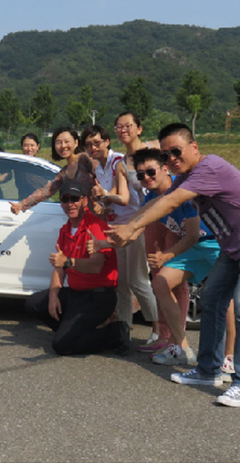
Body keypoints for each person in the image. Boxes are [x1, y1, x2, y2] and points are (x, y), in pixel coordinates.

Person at [107, 123, 240, 407]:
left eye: (177, 151)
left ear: (194, 147)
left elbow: (171, 204)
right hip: (232, 250)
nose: (173, 159)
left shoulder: (209, 168)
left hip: (223, 247)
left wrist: (132, 228)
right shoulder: (186, 176)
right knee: (212, 301)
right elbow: (162, 200)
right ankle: (208, 371)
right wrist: (130, 228)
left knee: (238, 310)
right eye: (167, 155)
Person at [25, 180, 131, 356]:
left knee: (62, 346)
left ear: (84, 201)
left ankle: (114, 333)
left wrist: (68, 261)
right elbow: (59, 267)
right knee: (33, 303)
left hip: (98, 297)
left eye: (74, 199)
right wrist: (53, 296)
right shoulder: (65, 230)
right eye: (65, 200)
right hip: (76, 293)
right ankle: (72, 333)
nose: (70, 204)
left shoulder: (96, 227)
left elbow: (96, 266)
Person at [132, 148, 217, 364]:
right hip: (194, 248)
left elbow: (192, 235)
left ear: (165, 169)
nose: (146, 178)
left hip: (215, 243)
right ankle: (181, 347)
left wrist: (166, 255)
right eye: (140, 175)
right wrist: (107, 240)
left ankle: (227, 359)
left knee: (225, 301)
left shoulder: (183, 191)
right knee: (160, 283)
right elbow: (137, 223)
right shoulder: (151, 196)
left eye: (151, 172)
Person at [101, 112, 159, 342]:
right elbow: (124, 197)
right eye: (118, 126)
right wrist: (104, 197)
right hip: (132, 224)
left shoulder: (154, 150)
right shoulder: (122, 164)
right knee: (123, 283)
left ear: (139, 128)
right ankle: (123, 329)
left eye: (128, 126)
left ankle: (159, 329)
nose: (123, 130)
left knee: (139, 280)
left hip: (154, 223)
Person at [10, 127, 96, 215]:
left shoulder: (85, 159)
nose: (63, 146)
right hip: (81, 217)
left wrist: (102, 198)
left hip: (97, 215)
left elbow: (102, 176)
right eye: (59, 142)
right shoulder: (64, 172)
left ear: (76, 143)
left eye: (67, 141)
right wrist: (21, 205)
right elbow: (46, 191)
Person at [81, 125, 123, 222]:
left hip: (131, 219)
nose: (93, 148)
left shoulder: (118, 161)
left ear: (107, 142)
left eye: (97, 143)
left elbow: (115, 191)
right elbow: (108, 199)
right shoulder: (98, 170)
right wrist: (100, 204)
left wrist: (103, 195)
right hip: (114, 222)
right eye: (88, 145)